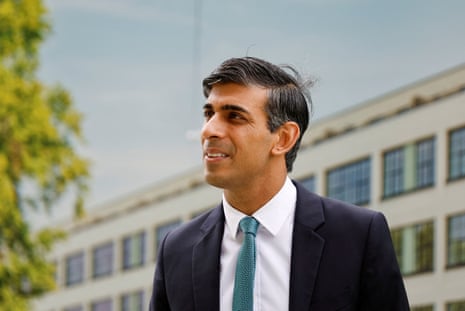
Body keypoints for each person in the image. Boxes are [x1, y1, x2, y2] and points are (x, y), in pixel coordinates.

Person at [149, 56, 410, 311]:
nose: (209, 130)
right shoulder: (176, 249)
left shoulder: (358, 235)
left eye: (235, 116)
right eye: (209, 114)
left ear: (283, 138)